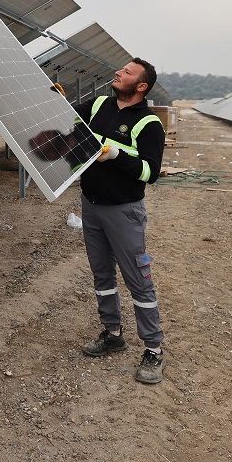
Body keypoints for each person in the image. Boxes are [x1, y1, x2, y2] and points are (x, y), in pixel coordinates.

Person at [75, 58, 168, 384]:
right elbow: (69, 123)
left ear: (141, 86)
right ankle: (112, 332)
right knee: (102, 274)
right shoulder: (98, 104)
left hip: (124, 212)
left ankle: (154, 349)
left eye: (127, 72)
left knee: (138, 279)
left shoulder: (148, 123)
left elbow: (150, 172)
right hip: (91, 204)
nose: (118, 72)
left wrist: (116, 154)